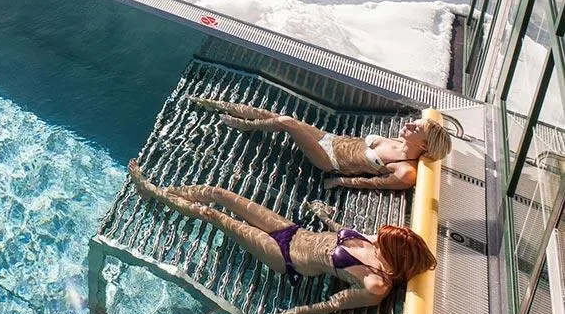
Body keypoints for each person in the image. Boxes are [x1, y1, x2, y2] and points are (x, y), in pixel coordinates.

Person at [128, 161, 436, 314]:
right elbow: (344, 232)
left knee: (213, 215)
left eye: (382, 241)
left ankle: (152, 192)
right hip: (293, 231)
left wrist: (297, 313)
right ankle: (165, 191)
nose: (375, 239)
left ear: (395, 255)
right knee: (220, 194)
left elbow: (335, 304)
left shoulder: (374, 284)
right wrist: (326, 217)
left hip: (283, 256)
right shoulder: (376, 243)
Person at [188, 98, 451, 190]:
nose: (413, 124)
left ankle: (247, 126)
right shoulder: (398, 141)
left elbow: (373, 182)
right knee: (275, 116)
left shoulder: (405, 171)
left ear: (425, 147)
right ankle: (218, 105)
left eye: (419, 128)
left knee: (288, 122)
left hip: (330, 161)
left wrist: (339, 182)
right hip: (331, 139)